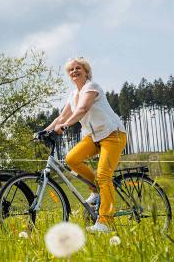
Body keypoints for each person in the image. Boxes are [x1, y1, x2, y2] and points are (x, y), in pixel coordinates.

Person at [44, 57, 127, 233]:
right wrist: (45, 130)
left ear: (86, 71)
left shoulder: (92, 87)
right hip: (94, 136)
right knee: (71, 159)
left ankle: (105, 222)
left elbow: (82, 110)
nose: (74, 71)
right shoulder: (73, 95)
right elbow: (61, 117)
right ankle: (95, 191)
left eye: (78, 68)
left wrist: (65, 126)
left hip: (113, 134)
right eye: (71, 70)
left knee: (104, 176)